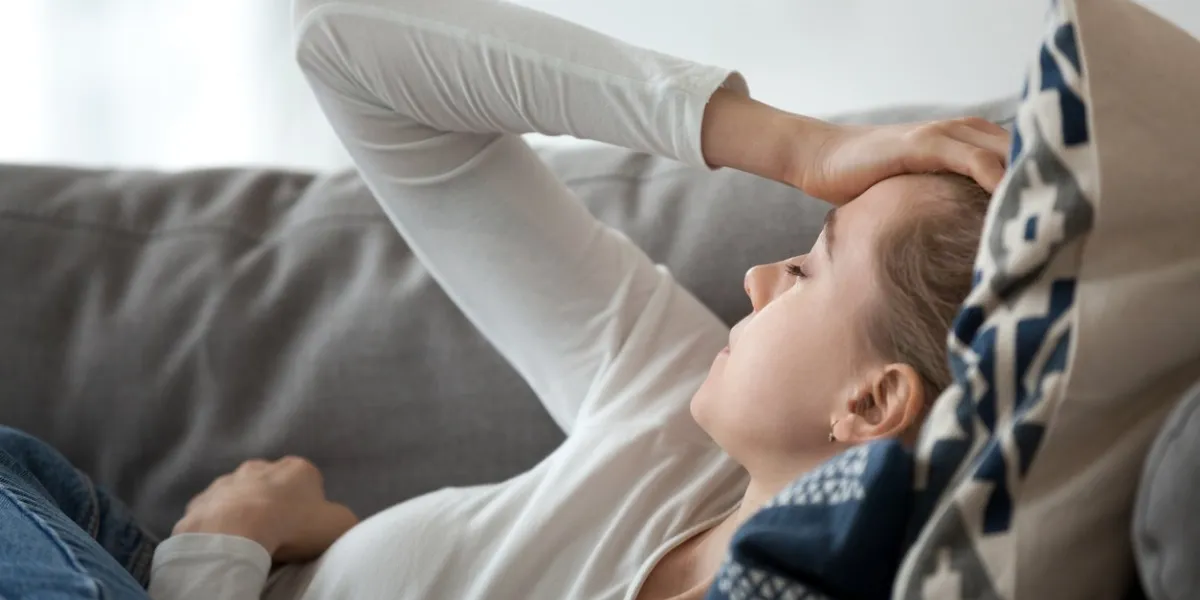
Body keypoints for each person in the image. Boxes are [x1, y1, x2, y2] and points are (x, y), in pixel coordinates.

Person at [0, 0, 1010, 598]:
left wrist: (223, 547)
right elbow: (348, 43)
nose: (754, 276)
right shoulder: (662, 411)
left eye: (807, 269)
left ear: (872, 403)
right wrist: (800, 146)